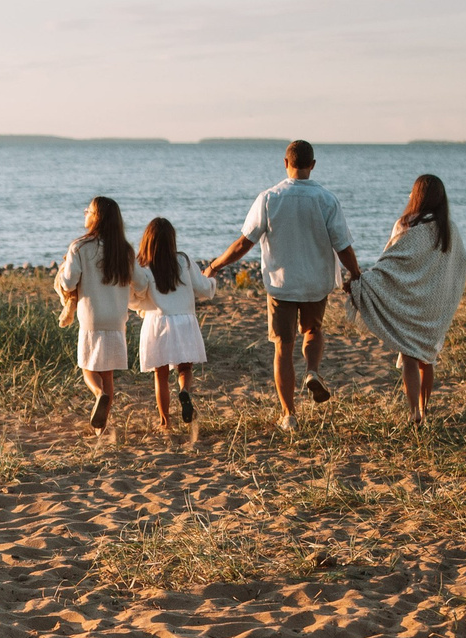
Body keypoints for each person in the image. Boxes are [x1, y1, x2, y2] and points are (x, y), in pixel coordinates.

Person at [204, 139, 359, 426]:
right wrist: (356, 275)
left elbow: (244, 243)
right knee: (313, 330)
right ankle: (312, 370)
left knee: (283, 348)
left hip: (281, 284)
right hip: (316, 283)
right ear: (312, 165)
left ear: (285, 163)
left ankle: (289, 414)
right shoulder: (326, 199)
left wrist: (215, 265)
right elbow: (343, 246)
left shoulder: (269, 198)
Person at [345, 173, 466, 426]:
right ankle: (424, 409)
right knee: (427, 357)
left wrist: (363, 281)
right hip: (434, 304)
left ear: (417, 196)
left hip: (410, 301)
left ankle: (414, 413)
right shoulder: (449, 228)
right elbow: (457, 264)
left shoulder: (406, 224)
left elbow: (391, 262)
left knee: (410, 357)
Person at [55, 196, 134, 431]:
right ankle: (102, 428)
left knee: (88, 368)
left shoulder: (79, 247)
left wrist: (62, 273)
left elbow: (68, 282)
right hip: (117, 318)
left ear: (96, 216)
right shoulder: (125, 250)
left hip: (92, 316)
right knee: (107, 372)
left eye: (87, 210)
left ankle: (98, 394)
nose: (85, 214)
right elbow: (137, 280)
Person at [130, 216, 213, 430]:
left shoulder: (144, 267)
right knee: (184, 369)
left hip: (157, 324)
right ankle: (184, 391)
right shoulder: (183, 261)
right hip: (184, 321)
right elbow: (204, 289)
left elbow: (134, 298)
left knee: (161, 375)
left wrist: (141, 306)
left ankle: (165, 421)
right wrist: (211, 280)